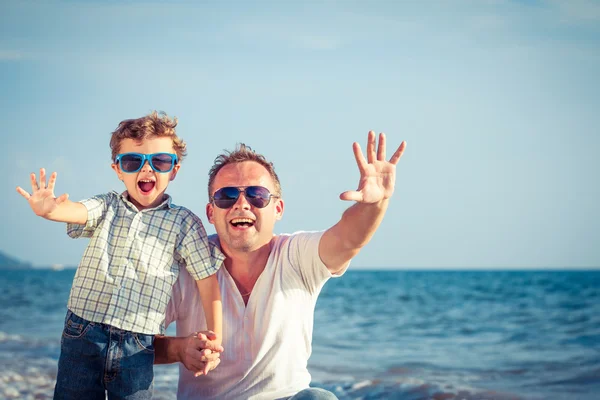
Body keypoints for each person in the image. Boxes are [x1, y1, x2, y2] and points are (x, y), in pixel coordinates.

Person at [154, 131, 406, 400]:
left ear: (278, 208)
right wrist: (178, 349)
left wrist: (375, 204)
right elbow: (128, 341)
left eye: (257, 195)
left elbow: (348, 240)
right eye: (227, 196)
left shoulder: (296, 256)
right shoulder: (186, 265)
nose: (242, 204)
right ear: (211, 212)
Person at [15, 111, 223, 399]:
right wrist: (49, 210)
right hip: (82, 332)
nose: (147, 170)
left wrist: (215, 337)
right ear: (118, 169)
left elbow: (207, 280)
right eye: (133, 161)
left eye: (160, 162)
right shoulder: (107, 206)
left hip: (138, 343)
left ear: (174, 170)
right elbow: (77, 211)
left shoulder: (184, 223)